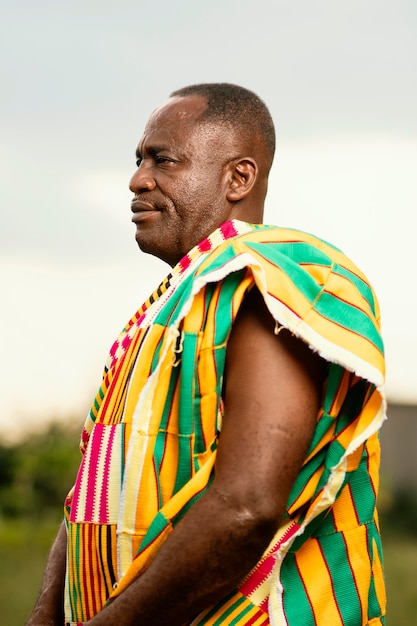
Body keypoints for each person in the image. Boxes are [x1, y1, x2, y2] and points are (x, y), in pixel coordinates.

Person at [28, 83, 386, 626]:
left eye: (162, 161)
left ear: (238, 178)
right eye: (139, 160)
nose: (137, 179)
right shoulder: (174, 302)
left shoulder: (272, 281)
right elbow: (94, 493)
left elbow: (245, 508)